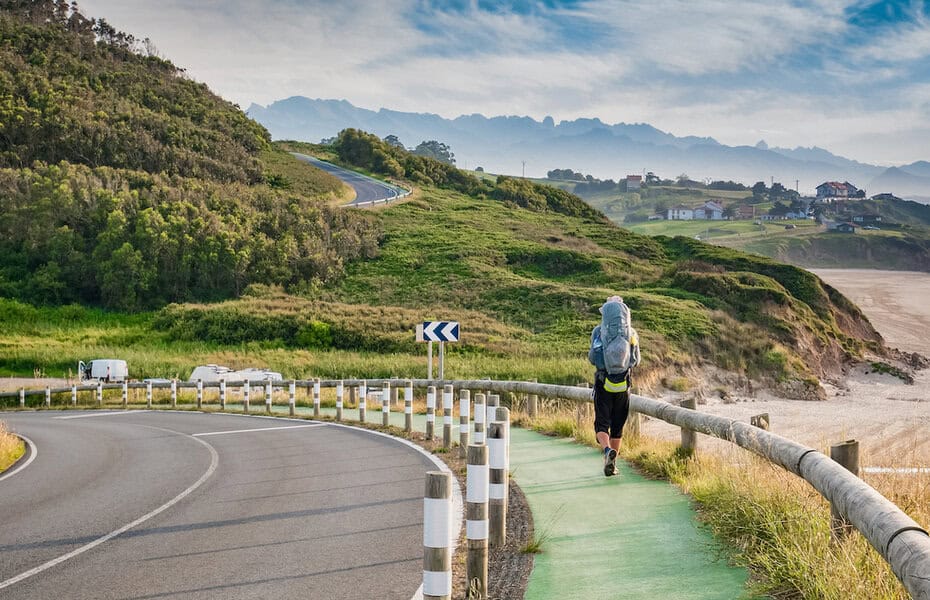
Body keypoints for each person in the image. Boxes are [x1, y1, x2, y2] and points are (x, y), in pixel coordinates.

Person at [588, 295, 640, 477]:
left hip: (603, 384)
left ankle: (606, 450)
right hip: (623, 386)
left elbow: (592, 358)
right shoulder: (631, 333)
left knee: (601, 425)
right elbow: (635, 360)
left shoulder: (598, 332)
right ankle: (613, 463)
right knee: (617, 427)